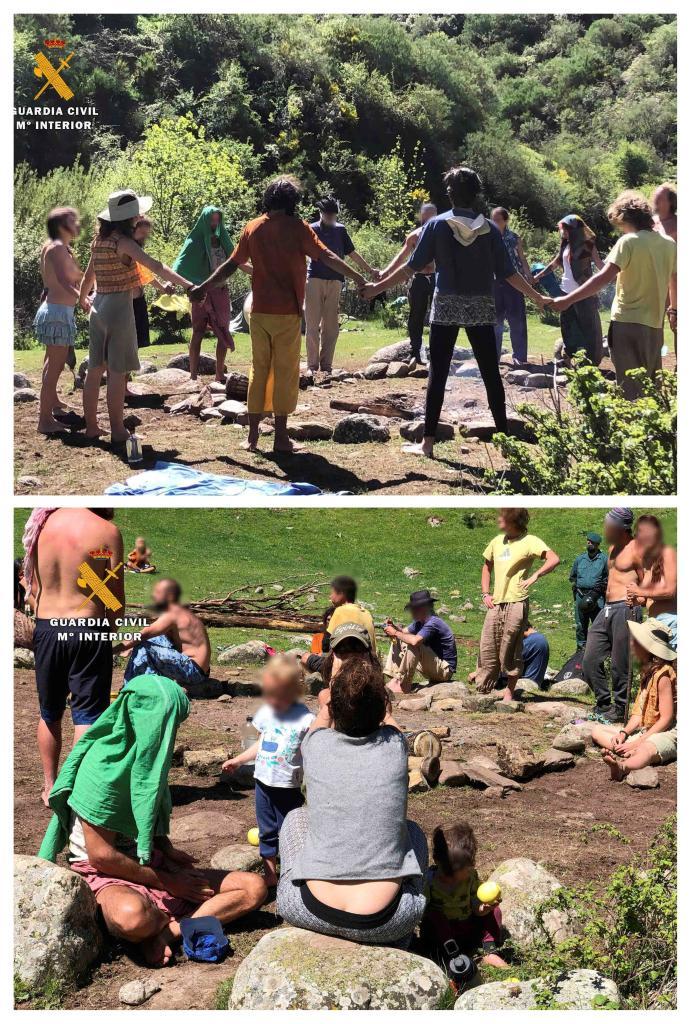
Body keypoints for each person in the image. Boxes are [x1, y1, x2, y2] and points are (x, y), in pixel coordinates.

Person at [39, 674, 267, 967]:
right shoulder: (103, 768)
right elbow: (102, 856)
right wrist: (171, 882)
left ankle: (169, 931)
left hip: (149, 863)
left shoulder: (148, 758)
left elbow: (145, 817)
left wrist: (168, 852)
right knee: (132, 918)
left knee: (254, 887)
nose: (169, 732)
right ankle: (171, 918)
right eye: (166, 724)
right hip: (106, 873)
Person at [361, 167, 549, 458]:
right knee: (490, 373)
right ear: (476, 195)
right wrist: (536, 296)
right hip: (481, 304)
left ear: (450, 193)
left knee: (438, 374)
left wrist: (377, 288)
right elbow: (509, 273)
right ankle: (506, 445)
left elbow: (412, 266)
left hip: (446, 303)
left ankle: (428, 444)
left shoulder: (436, 225)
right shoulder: (489, 229)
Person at [189, 177, 366, 454]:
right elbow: (327, 257)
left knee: (259, 371)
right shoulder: (299, 228)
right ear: (292, 202)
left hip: (258, 312)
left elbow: (230, 265)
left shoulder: (253, 227)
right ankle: (281, 438)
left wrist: (202, 286)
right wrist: (358, 277)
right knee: (284, 373)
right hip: (287, 314)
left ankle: (252, 438)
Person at [276, 656, 428, 946]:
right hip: (389, 919)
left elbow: (321, 722)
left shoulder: (315, 744)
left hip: (310, 908)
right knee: (415, 833)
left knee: (296, 817)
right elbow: (392, 726)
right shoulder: (397, 746)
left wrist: (326, 703)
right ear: (384, 707)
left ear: (332, 707)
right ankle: (397, 945)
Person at [21, 507, 124, 806]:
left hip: (47, 628)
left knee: (49, 711)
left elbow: (34, 589)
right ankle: (76, 787)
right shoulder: (105, 531)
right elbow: (112, 596)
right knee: (88, 715)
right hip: (87, 627)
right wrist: (111, 628)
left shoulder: (41, 523)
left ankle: (50, 786)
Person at [79, 190, 193, 444]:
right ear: (128, 217)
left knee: (95, 370)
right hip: (119, 308)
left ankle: (91, 427)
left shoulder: (99, 241)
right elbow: (155, 266)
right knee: (118, 372)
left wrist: (81, 298)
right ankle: (118, 431)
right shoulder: (124, 242)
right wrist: (188, 285)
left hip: (98, 307)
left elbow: (89, 276)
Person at [550, 192, 676, 399]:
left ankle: (627, 427)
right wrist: (674, 311)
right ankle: (651, 430)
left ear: (624, 217)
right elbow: (675, 281)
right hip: (655, 325)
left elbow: (603, 278)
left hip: (626, 323)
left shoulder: (628, 242)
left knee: (627, 386)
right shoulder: (669, 245)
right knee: (651, 385)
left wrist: (567, 300)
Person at [221, 654, 314, 887]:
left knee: (290, 830)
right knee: (266, 830)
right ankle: (270, 873)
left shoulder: (307, 719)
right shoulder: (265, 714)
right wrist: (239, 760)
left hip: (288, 786)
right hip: (262, 782)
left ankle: (294, 872)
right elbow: (260, 745)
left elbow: (315, 751)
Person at [476, 509, 559, 701]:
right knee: (488, 645)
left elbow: (554, 559)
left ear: (512, 521)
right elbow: (486, 566)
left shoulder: (530, 541)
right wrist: (485, 593)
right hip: (496, 602)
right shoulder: (497, 542)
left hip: (517, 601)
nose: (498, 519)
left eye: (502, 517)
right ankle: (484, 689)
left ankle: (509, 693)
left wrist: (535, 576)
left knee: (511, 646)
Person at [592, 618, 676, 780]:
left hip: (668, 732)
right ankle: (627, 750)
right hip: (648, 729)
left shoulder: (663, 675)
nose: (632, 644)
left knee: (646, 749)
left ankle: (623, 766)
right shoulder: (647, 673)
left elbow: (666, 719)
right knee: (597, 731)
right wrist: (624, 734)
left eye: (636, 641)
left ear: (648, 648)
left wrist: (638, 742)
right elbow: (638, 713)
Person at [582, 508, 644, 724]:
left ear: (622, 527)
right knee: (589, 659)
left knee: (620, 663)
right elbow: (609, 579)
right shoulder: (611, 548)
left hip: (626, 609)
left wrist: (640, 600)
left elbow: (648, 583)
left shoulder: (638, 549)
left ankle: (620, 708)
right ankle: (603, 702)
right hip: (606, 609)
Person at [420, 822, 508, 970]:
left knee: (494, 911)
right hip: (441, 936)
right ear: (436, 860)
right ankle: (448, 956)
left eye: (458, 876)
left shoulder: (471, 877)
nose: (452, 881)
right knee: (434, 915)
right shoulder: (429, 881)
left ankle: (489, 950)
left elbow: (475, 905)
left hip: (466, 927)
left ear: (471, 865)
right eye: (447, 875)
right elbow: (422, 912)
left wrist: (482, 909)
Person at [304, 196, 376, 373]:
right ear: (321, 214)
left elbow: (352, 253)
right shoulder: (310, 229)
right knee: (312, 324)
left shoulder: (341, 230)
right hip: (314, 279)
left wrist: (369, 270)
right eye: (328, 216)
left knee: (331, 325)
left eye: (334, 216)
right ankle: (312, 366)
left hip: (336, 280)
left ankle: (326, 365)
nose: (331, 219)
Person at [34, 207, 85, 434]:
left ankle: (53, 404)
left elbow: (75, 277)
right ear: (62, 226)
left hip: (57, 311)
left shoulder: (56, 247)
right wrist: (84, 300)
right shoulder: (56, 248)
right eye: (72, 221)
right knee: (53, 369)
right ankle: (44, 421)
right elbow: (65, 282)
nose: (77, 225)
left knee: (51, 364)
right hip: (57, 313)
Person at [174, 206, 237, 381]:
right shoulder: (194, 241)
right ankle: (193, 376)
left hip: (221, 290)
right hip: (200, 292)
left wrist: (258, 272)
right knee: (198, 331)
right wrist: (170, 282)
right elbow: (179, 265)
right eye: (211, 220)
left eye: (217, 220)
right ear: (204, 220)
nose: (214, 223)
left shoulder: (222, 238)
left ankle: (219, 374)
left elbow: (236, 259)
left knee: (223, 331)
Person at [534, 215, 604, 365]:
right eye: (562, 229)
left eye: (565, 229)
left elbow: (599, 264)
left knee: (588, 326)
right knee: (568, 325)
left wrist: (614, 275)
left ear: (574, 230)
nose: (562, 232)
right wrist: (538, 276)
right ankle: (571, 356)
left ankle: (591, 362)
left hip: (583, 293)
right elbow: (554, 264)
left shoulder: (588, 245)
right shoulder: (565, 245)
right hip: (565, 292)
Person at [121, 578, 211, 689]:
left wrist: (114, 649)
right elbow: (152, 634)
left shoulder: (173, 614)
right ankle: (149, 683)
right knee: (154, 640)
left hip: (193, 671)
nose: (153, 596)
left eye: (158, 592)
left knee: (143, 644)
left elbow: (144, 634)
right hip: (200, 670)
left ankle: (129, 688)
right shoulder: (181, 612)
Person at [378, 202, 438, 363]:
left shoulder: (441, 235)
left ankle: (436, 351)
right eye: (426, 218)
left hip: (436, 277)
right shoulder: (415, 236)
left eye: (432, 217)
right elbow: (401, 257)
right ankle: (415, 350)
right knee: (416, 315)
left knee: (438, 315)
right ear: (421, 217)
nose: (428, 221)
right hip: (417, 278)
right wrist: (386, 272)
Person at [383, 589, 457, 693]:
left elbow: (415, 642)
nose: (411, 612)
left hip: (445, 670)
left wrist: (395, 632)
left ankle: (404, 685)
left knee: (414, 644)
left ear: (422, 608)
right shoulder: (419, 622)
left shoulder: (433, 622)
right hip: (433, 665)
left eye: (413, 608)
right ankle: (396, 678)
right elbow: (402, 633)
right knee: (399, 638)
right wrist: (393, 628)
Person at [302, 575, 376, 674]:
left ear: (341, 593)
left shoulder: (340, 611)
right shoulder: (366, 613)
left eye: (332, 592)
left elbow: (326, 645)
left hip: (345, 667)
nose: (330, 596)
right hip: (369, 665)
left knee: (305, 657)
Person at [490, 207, 533, 365]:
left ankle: (519, 357)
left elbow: (522, 259)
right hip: (494, 282)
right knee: (495, 321)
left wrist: (528, 276)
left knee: (517, 320)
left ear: (506, 221)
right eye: (492, 220)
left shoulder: (514, 238)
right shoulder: (488, 238)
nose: (495, 223)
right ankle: (493, 357)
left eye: (498, 220)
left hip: (515, 283)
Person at [627, 514, 677, 649]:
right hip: (653, 623)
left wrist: (638, 590)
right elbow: (646, 598)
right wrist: (636, 599)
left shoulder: (668, 554)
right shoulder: (650, 563)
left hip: (670, 623)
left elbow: (670, 591)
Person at [131, 216, 172, 350]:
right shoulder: (129, 247)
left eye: (146, 234)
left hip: (138, 299)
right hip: (128, 302)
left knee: (136, 344)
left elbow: (144, 274)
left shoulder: (135, 247)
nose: (144, 237)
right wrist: (162, 287)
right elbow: (148, 272)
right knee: (129, 344)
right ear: (133, 229)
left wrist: (162, 288)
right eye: (142, 233)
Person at [569, 532, 609, 649]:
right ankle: (581, 649)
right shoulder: (580, 559)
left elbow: (609, 577)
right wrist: (577, 588)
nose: (588, 543)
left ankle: (598, 649)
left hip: (597, 597)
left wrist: (602, 586)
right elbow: (573, 576)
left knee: (598, 625)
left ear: (597, 544)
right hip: (580, 595)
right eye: (588, 541)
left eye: (591, 542)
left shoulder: (604, 559)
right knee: (580, 625)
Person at [652, 182, 677, 354]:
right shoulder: (650, 223)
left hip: (676, 280)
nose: (655, 200)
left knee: (677, 324)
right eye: (655, 197)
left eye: (659, 198)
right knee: (653, 324)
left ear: (670, 202)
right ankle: (654, 363)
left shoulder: (679, 223)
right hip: (654, 281)